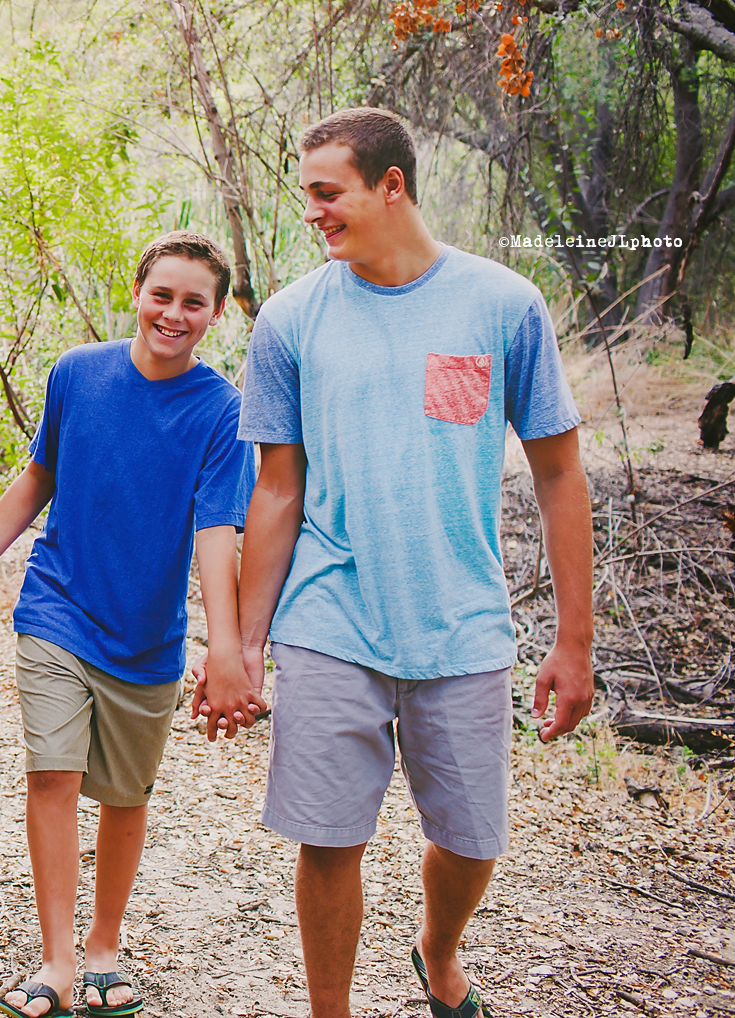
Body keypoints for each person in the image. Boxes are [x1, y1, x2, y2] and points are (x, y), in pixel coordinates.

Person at [222, 107, 595, 1018]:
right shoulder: (292, 319)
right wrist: (241, 643)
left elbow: (559, 473)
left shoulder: (502, 304)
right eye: (307, 193)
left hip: (461, 620)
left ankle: (437, 949)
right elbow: (277, 491)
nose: (312, 211)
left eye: (328, 192)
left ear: (391, 185)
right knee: (327, 838)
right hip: (329, 618)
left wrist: (575, 640)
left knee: (472, 839)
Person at [0, 232, 256, 1018]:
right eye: (163, 295)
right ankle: (57, 962)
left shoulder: (223, 412)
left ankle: (102, 948)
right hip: (57, 607)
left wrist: (224, 647)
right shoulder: (77, 373)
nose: (174, 313)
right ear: (137, 292)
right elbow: (41, 474)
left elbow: (216, 532)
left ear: (217, 314)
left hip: (147, 635)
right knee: (52, 775)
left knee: (125, 796)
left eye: (194, 302)